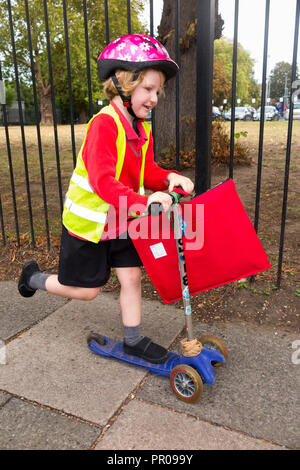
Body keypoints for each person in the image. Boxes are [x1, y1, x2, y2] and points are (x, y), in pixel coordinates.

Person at [18, 34, 194, 364]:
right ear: (122, 84)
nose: (154, 97)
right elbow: (102, 183)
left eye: (158, 91)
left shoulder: (142, 129)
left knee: (131, 276)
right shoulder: (104, 124)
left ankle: (133, 340)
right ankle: (33, 278)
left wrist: (169, 177)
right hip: (90, 222)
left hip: (123, 218)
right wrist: (146, 204)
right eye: (148, 88)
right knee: (88, 291)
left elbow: (146, 171)